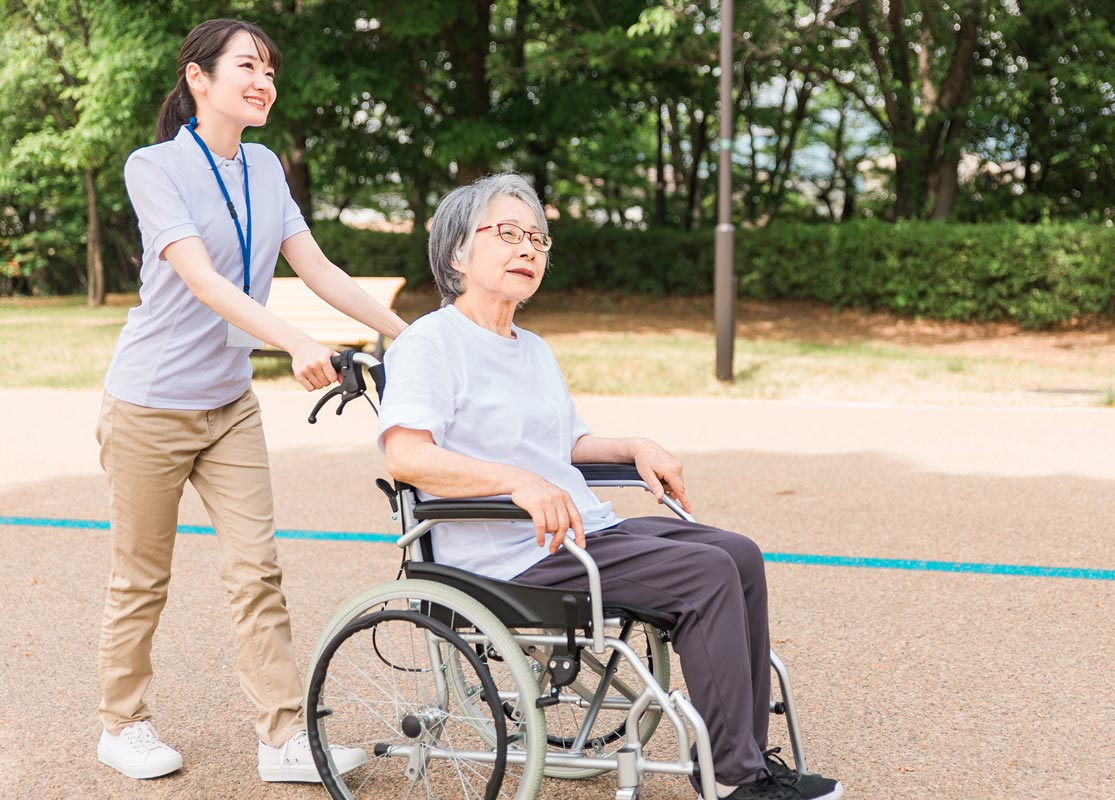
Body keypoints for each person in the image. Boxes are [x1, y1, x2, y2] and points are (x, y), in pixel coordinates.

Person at [377, 173, 843, 800]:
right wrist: (517, 481)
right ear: (458, 252)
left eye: (539, 239)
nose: (528, 250)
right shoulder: (429, 342)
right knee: (703, 576)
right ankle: (735, 781)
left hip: (576, 532)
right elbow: (407, 456)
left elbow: (566, 447)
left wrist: (633, 447)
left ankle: (747, 757)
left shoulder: (532, 348)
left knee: (738, 554)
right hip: (507, 555)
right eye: (508, 234)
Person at [95, 19, 405, 783]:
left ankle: (282, 738)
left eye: (270, 69)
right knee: (142, 578)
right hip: (149, 405)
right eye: (247, 66)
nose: (264, 79)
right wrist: (296, 343)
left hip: (228, 405)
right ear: (199, 79)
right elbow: (203, 280)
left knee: (256, 571)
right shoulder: (154, 166)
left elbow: (318, 266)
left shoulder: (265, 167)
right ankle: (122, 724)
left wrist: (411, 333)